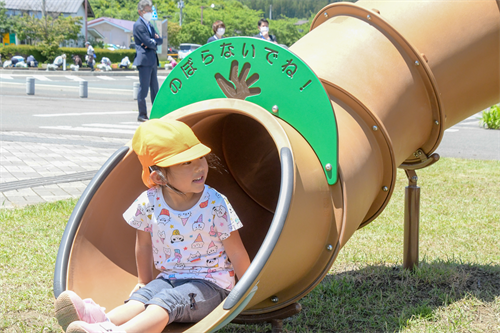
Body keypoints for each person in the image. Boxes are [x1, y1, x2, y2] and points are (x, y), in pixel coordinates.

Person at [54, 119, 251, 333]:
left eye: (200, 157)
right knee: (143, 297)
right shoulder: (148, 203)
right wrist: (143, 281)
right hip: (169, 277)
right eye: (186, 163)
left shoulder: (215, 204)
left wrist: (247, 289)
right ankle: (99, 320)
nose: (200, 166)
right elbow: (144, 245)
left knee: (166, 301)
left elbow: (236, 251)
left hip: (212, 284)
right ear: (159, 176)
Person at [132, 0, 163, 122]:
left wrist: (153, 42)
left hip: (152, 59)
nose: (149, 13)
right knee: (144, 88)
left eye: (151, 10)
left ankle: (156, 113)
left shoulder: (149, 25)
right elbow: (149, 41)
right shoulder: (139, 25)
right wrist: (152, 42)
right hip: (144, 60)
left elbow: (159, 40)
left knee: (155, 88)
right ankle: (142, 114)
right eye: (147, 11)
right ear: (140, 12)